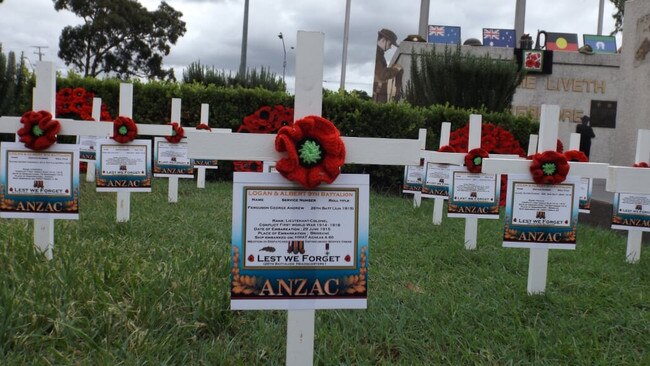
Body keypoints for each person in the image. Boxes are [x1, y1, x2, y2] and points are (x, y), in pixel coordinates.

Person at [373, 29, 403, 103]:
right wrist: (396, 69)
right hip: (377, 97)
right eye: (390, 44)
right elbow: (382, 75)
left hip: (378, 95)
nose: (390, 47)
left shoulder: (379, 54)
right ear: (383, 40)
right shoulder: (377, 55)